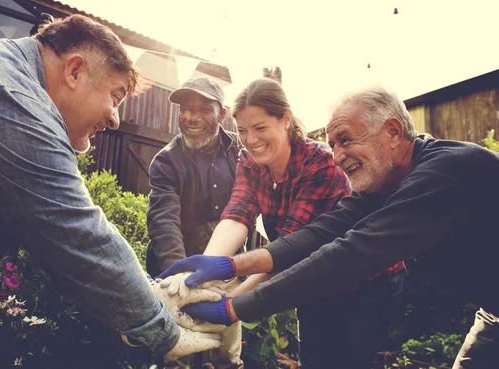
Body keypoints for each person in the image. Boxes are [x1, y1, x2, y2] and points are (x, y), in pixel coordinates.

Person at [0, 14, 221, 368]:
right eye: (115, 96)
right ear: (74, 71)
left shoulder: (4, 77)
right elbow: (76, 231)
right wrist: (162, 330)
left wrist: (149, 292)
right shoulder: (9, 94)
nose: (115, 119)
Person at [162, 87, 499, 369]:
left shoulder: (446, 172)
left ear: (393, 133)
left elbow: (353, 253)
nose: (336, 156)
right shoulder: (383, 182)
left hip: (365, 288)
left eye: (345, 140)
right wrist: (228, 264)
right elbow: (321, 233)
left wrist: (233, 307)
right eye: (332, 143)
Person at [183, 78, 406, 368]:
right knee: (314, 359)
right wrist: (201, 271)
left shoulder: (320, 164)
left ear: (286, 119)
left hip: (366, 281)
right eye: (242, 131)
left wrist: (229, 305)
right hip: (313, 275)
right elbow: (237, 214)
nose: (251, 140)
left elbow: (291, 248)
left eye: (260, 128)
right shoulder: (249, 162)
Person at [146, 76, 243, 368]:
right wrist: (179, 276)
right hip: (178, 268)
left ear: (222, 113)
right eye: (186, 109)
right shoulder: (166, 162)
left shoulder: (240, 153)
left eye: (203, 109)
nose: (191, 117)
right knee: (176, 353)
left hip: (225, 268)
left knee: (226, 353)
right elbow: (164, 220)